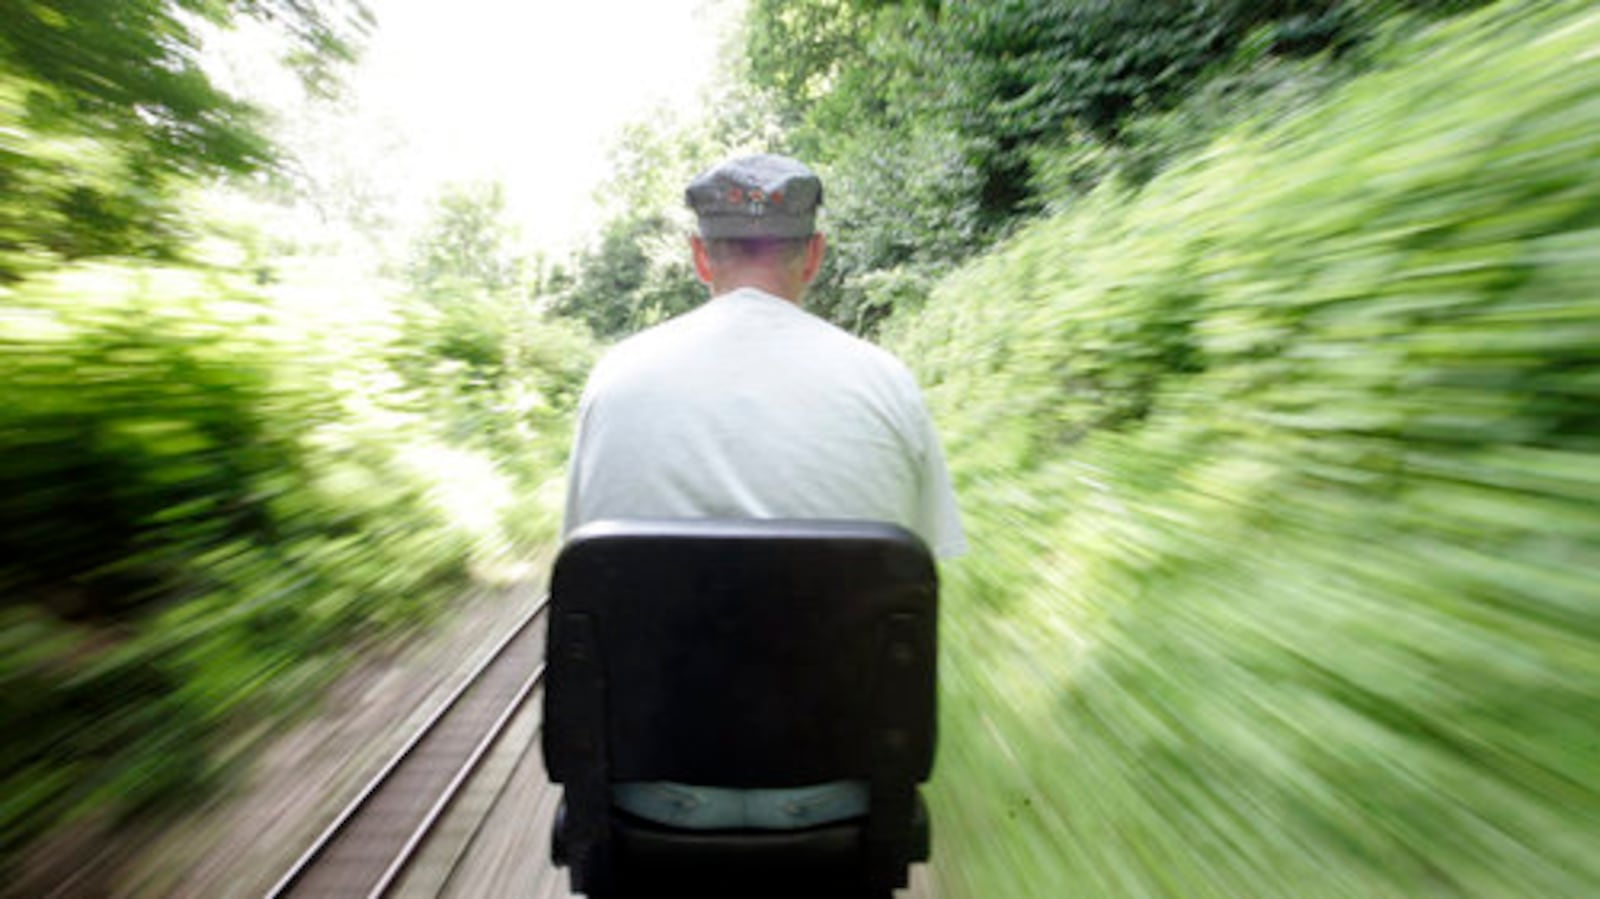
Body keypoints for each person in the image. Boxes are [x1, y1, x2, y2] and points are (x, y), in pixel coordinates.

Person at [562, 152, 965, 830]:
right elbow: (918, 569)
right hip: (835, 787)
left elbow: (581, 576)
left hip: (653, 786)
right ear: (814, 255)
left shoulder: (614, 380)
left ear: (697, 255)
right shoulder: (887, 383)